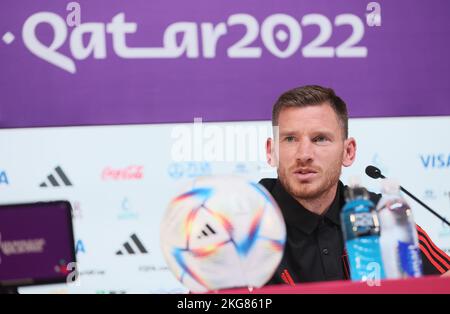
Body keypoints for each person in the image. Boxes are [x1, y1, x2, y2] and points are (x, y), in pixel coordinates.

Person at [260, 85, 450, 285]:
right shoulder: (244, 222)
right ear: (271, 152)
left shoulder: (382, 214)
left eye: (320, 139)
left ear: (348, 152)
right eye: (290, 139)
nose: (304, 154)